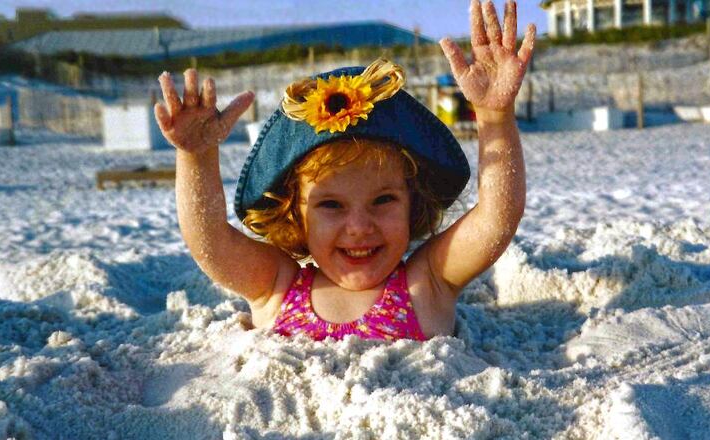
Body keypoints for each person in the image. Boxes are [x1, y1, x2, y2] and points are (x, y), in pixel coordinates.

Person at [154, 0, 535, 341]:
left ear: (413, 203)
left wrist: (494, 116)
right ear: (294, 213)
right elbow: (211, 243)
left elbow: (495, 218)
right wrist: (197, 158)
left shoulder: (428, 281)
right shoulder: (277, 284)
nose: (359, 226)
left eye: (383, 200)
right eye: (331, 205)